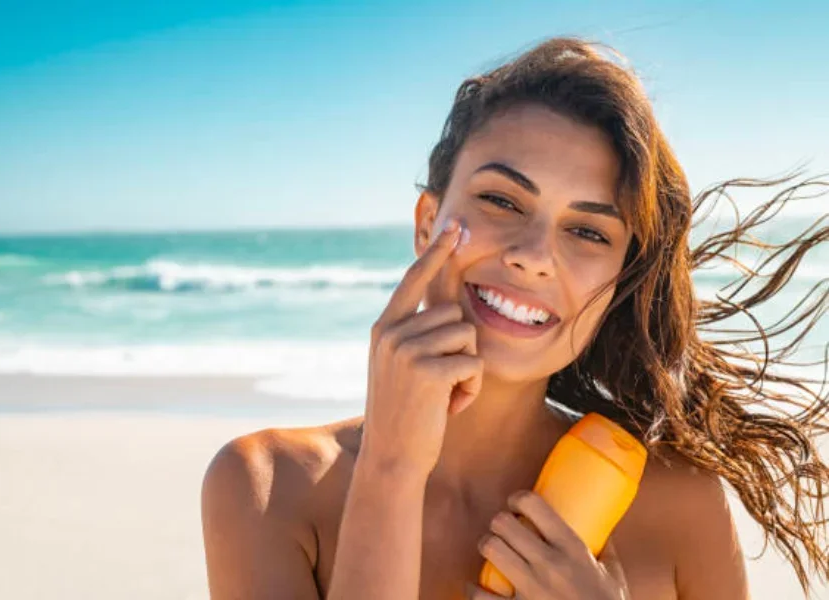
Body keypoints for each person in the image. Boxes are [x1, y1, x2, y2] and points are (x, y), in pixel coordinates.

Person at [200, 36, 829, 599]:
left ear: (619, 280)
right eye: (501, 200)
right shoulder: (267, 487)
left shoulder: (679, 503)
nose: (533, 258)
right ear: (428, 223)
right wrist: (389, 472)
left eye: (587, 230)